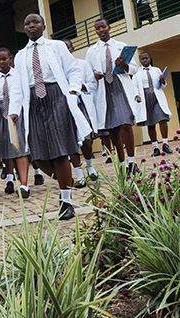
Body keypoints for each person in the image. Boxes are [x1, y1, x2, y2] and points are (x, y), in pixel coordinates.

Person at [8, 13, 91, 220]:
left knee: (60, 152)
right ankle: (67, 180)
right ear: (24, 28)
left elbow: (73, 70)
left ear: (44, 25)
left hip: (56, 97)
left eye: (36, 22)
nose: (31, 26)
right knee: (38, 155)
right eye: (27, 23)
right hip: (33, 102)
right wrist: (15, 111)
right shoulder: (20, 55)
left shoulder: (56, 47)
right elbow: (17, 86)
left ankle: (66, 201)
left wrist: (72, 91)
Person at [85, 18, 141, 171]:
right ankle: (122, 163)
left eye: (103, 27)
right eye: (97, 28)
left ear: (109, 27)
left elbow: (134, 69)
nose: (101, 30)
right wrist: (94, 76)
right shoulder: (91, 51)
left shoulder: (121, 46)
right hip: (103, 88)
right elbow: (88, 73)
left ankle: (132, 161)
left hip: (120, 86)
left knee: (126, 124)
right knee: (113, 128)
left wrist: (123, 65)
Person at [0, 47, 32, 198]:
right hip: (1, 115)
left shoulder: (19, 75)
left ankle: (24, 185)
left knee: (19, 149)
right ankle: (10, 180)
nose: (2, 62)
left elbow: (23, 95)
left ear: (11, 59)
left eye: (4, 59)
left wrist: (17, 112)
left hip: (17, 114)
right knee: (7, 150)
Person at [62, 39, 99, 188]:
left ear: (72, 49)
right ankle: (79, 175)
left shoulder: (82, 64)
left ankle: (89, 165)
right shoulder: (56, 68)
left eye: (68, 48)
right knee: (71, 140)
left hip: (81, 103)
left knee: (86, 139)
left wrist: (80, 85)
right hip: (64, 106)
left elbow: (93, 84)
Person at [133, 51, 173, 157]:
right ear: (140, 60)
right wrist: (137, 95)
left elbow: (162, 85)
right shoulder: (137, 73)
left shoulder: (156, 70)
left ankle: (165, 144)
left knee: (162, 119)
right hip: (145, 97)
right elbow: (134, 86)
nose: (145, 60)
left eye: (147, 58)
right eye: (142, 59)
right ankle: (155, 147)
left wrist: (163, 80)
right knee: (150, 123)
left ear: (150, 58)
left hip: (156, 96)